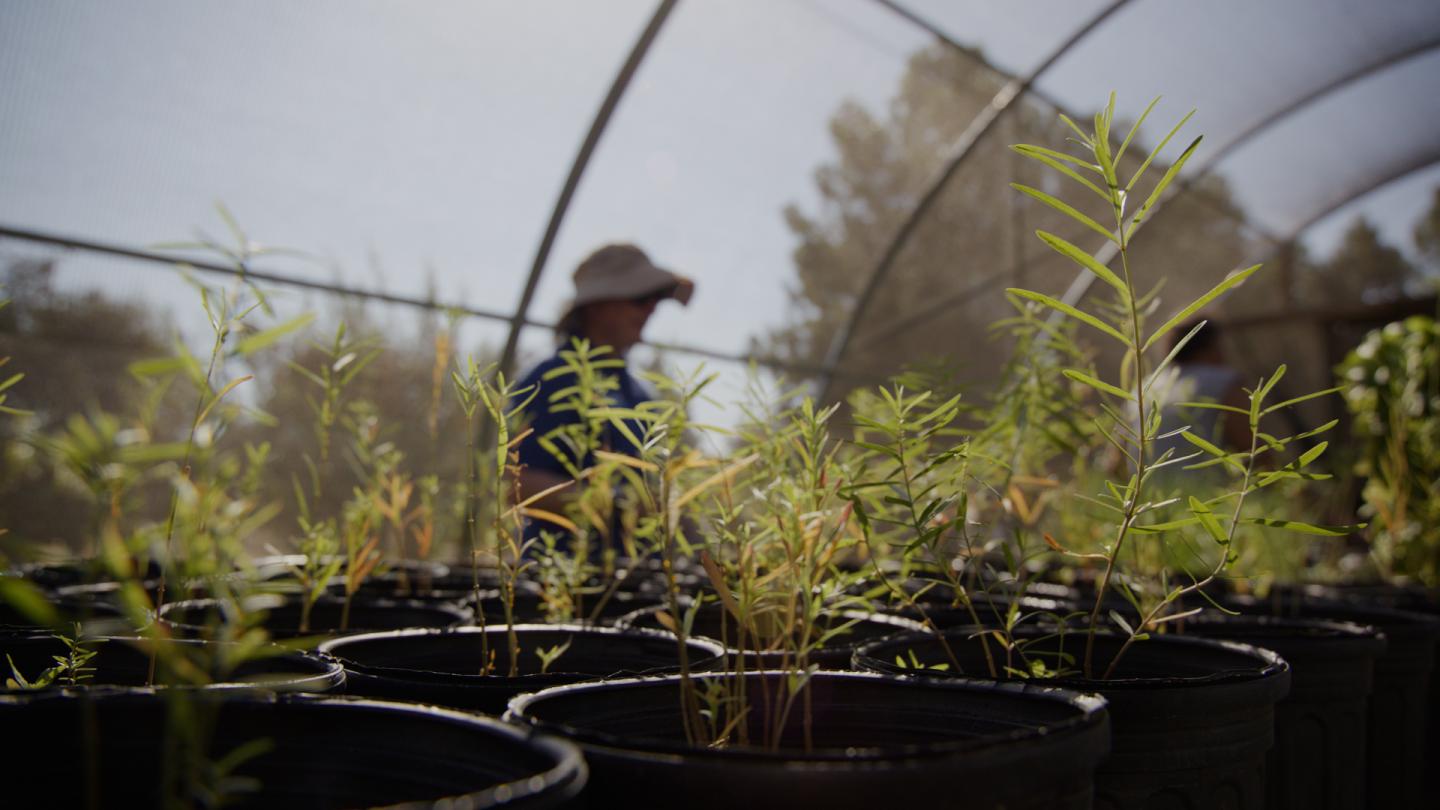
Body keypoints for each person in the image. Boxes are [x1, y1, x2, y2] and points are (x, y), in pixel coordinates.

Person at [513, 243, 694, 538]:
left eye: (657, 298)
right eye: (640, 297)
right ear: (597, 305)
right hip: (565, 574)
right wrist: (620, 506)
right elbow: (519, 484)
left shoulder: (638, 393)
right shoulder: (551, 379)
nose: (652, 308)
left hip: (636, 574)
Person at [1150, 318, 1250, 465]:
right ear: (1211, 347)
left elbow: (1115, 464)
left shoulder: (1143, 390)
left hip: (1148, 488)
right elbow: (1252, 451)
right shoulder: (1222, 382)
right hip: (1213, 487)